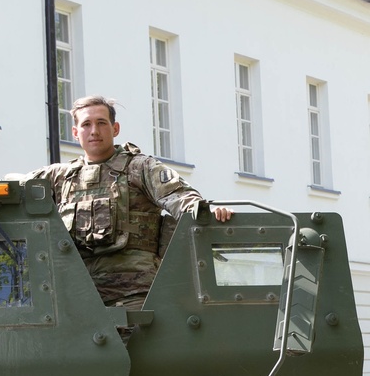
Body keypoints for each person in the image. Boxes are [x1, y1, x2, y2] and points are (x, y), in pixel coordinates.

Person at [26, 95, 233, 309]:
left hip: (135, 295)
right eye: (86, 124)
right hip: (77, 297)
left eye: (101, 123)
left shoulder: (140, 168)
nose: (94, 131)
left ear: (115, 129)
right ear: (75, 132)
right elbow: (11, 190)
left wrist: (207, 212)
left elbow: (180, 197)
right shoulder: (59, 177)